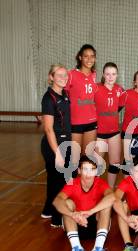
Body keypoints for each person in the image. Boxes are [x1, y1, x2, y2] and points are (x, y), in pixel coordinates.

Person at [53, 156, 114, 251]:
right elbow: (57, 201)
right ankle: (77, 250)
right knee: (68, 203)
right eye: (85, 169)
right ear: (79, 171)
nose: (88, 173)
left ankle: (98, 250)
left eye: (92, 169)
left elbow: (112, 197)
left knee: (107, 203)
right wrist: (73, 215)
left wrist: (91, 211)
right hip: (75, 223)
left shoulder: (100, 183)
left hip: (96, 226)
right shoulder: (72, 183)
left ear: (97, 171)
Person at [40, 64, 71, 227]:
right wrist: (57, 153)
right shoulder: (48, 98)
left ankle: (47, 210)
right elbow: (48, 129)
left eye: (65, 75)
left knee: (54, 181)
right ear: (51, 77)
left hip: (65, 143)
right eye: (59, 75)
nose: (63, 78)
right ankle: (58, 219)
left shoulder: (64, 94)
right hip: (54, 145)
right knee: (60, 182)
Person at [65, 44, 98, 166]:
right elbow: (64, 97)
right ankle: (73, 184)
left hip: (91, 121)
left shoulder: (94, 75)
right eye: (86, 56)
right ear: (80, 57)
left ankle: (85, 184)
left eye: (92, 56)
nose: (89, 59)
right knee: (74, 159)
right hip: (75, 122)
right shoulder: (71, 74)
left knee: (87, 158)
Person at [94, 62, 124, 188]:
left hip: (114, 132)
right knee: (97, 164)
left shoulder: (120, 89)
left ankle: (110, 190)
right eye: (107, 74)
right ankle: (94, 191)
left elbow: (119, 106)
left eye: (113, 74)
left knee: (115, 162)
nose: (110, 77)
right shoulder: (96, 88)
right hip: (99, 132)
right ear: (103, 75)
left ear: (117, 75)